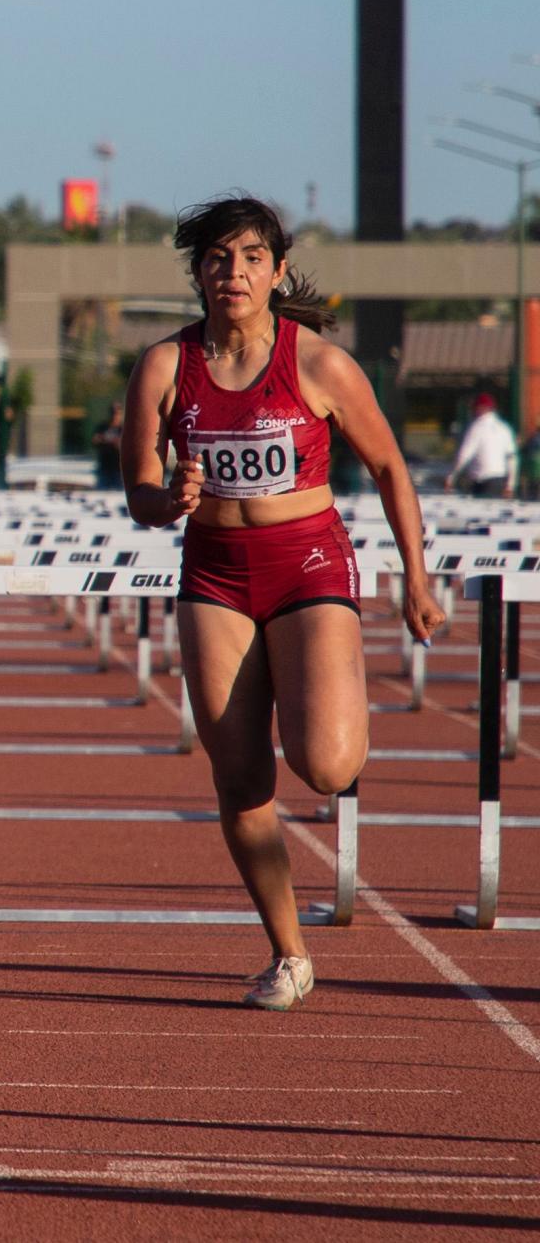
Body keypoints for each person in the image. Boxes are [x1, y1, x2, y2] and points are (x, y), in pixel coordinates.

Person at [121, 194, 442, 1010]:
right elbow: (140, 492)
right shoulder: (164, 367)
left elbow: (390, 468)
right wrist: (173, 497)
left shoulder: (319, 365)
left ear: (275, 270)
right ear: (198, 273)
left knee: (327, 764)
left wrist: (417, 573)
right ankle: (289, 952)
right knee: (239, 776)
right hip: (216, 573)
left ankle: (330, 701)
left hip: (307, 565)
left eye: (251, 258)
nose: (234, 273)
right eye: (219, 259)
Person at [445, 392, 516, 499]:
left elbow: (464, 454)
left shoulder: (477, 427)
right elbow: (511, 458)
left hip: (482, 482)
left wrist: (451, 477)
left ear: (480, 408)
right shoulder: (504, 428)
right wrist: (510, 485)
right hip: (500, 480)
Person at [92, 401, 125, 491]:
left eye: (117, 413)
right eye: (113, 413)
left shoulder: (123, 429)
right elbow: (95, 441)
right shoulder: (102, 427)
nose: (114, 416)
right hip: (104, 468)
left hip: (119, 470)